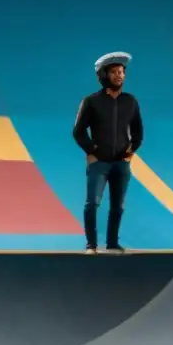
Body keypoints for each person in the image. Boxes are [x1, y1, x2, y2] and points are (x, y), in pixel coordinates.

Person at [72, 52, 144, 254]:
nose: (119, 76)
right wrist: (91, 151)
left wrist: (130, 152)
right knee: (92, 203)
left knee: (118, 206)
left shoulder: (131, 101)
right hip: (99, 163)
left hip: (121, 163)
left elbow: (138, 132)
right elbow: (78, 131)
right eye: (114, 72)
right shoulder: (91, 101)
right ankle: (91, 245)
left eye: (121, 72)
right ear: (103, 75)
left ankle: (112, 243)